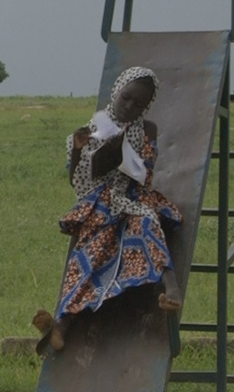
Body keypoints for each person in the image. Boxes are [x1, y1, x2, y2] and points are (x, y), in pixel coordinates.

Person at [32, 66, 182, 351]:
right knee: (90, 252)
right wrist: (79, 150)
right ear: (116, 92)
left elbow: (145, 175)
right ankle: (61, 327)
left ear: (147, 106)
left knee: (147, 225)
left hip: (135, 198)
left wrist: (122, 153)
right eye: (126, 98)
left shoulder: (147, 130)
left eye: (139, 104)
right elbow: (79, 182)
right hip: (101, 203)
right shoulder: (93, 128)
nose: (130, 107)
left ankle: (171, 289)